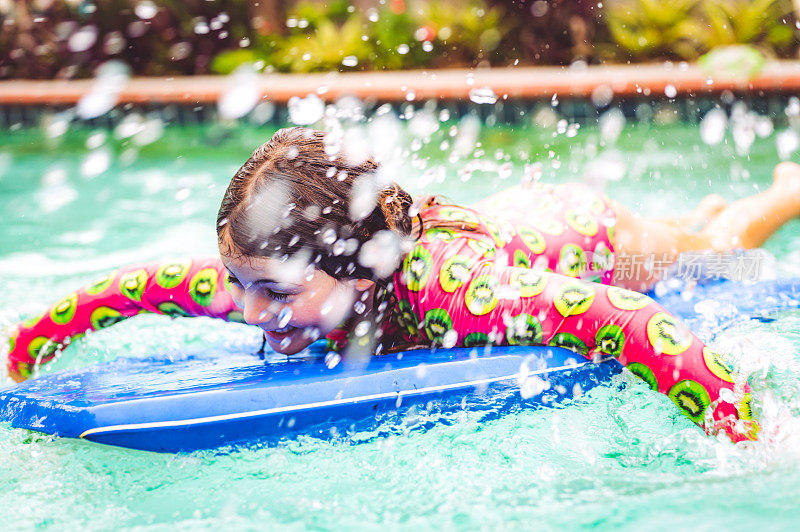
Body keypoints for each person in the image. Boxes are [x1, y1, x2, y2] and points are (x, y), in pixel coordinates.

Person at [7, 127, 800, 442]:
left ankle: (778, 194)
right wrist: (19, 361)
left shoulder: (458, 290)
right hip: (506, 222)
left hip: (583, 239)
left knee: (714, 255)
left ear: (361, 270)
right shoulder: (259, 281)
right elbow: (114, 294)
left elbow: (630, 322)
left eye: (276, 292)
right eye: (236, 282)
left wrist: (748, 437)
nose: (248, 311)